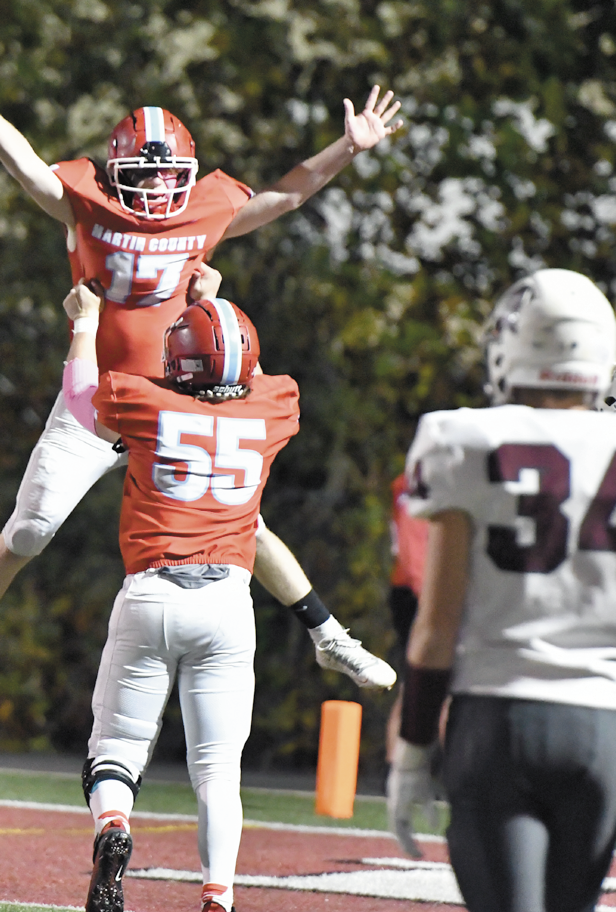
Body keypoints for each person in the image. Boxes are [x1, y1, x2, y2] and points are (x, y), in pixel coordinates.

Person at [0, 40, 403, 717]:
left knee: (240, 524)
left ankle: (329, 634)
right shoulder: (91, 202)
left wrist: (348, 149)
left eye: (171, 176)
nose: (160, 187)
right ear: (114, 170)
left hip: (173, 402)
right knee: (28, 531)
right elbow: (28, 174)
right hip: (95, 400)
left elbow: (284, 195)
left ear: (189, 175)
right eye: (145, 174)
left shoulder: (206, 208)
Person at [62, 273, 395, 912]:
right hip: (227, 604)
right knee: (217, 770)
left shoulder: (143, 400)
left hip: (152, 595)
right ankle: (218, 895)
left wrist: (84, 324)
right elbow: (249, 372)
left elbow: (80, 404)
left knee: (118, 748)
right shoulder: (272, 404)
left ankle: (114, 827)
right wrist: (212, 308)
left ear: (177, 363)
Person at [386, 268, 616, 912]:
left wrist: (413, 750)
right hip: (603, 727)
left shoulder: (462, 438)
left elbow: (437, 626)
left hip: (498, 719)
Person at [384, 473, 429, 765]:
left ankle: (400, 767)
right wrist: (425, 590)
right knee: (416, 685)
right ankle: (397, 767)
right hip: (419, 591)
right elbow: (412, 539)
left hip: (420, 588)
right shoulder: (415, 482)